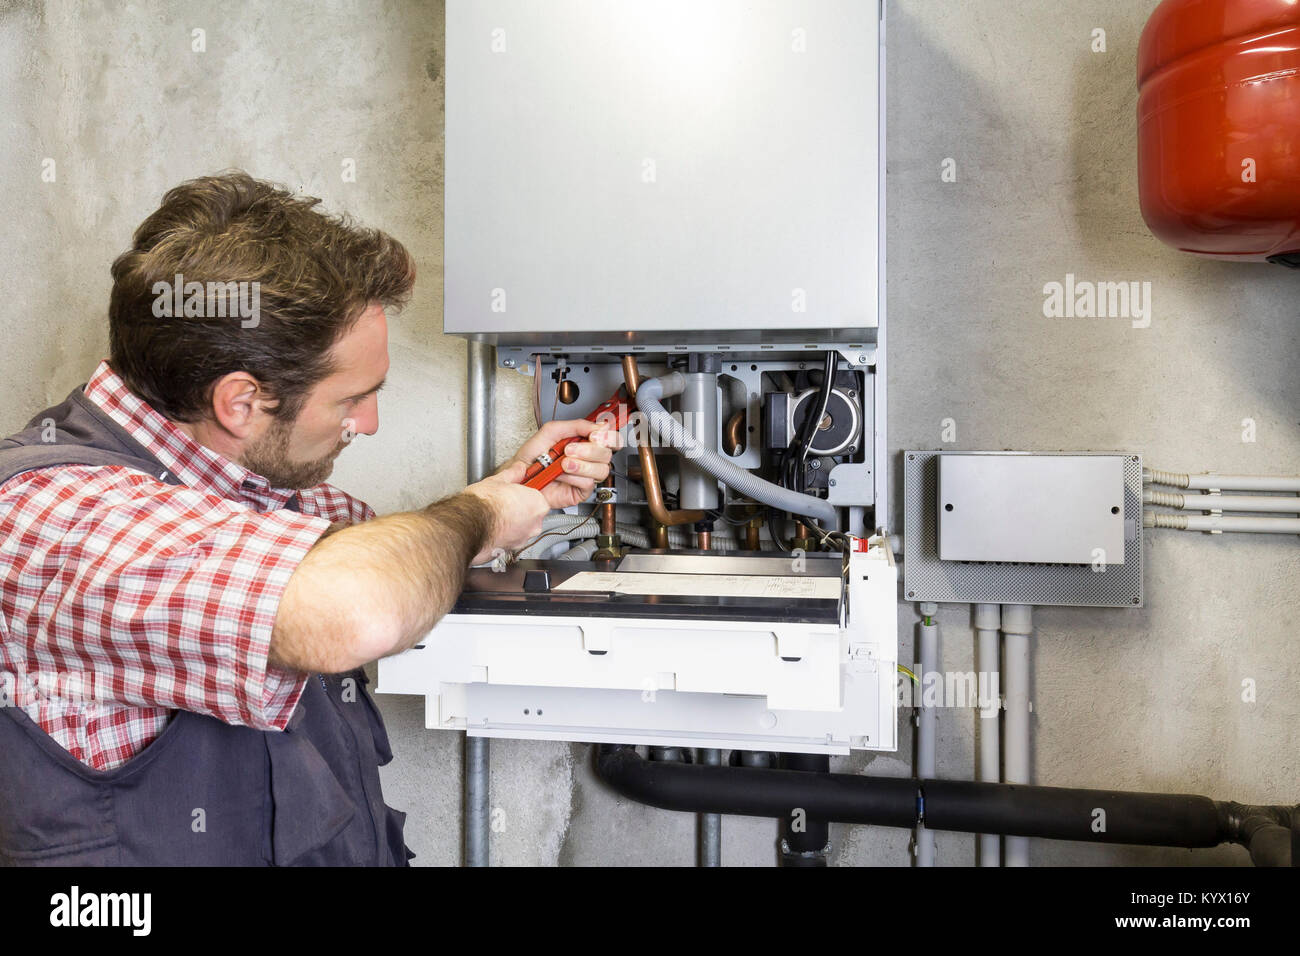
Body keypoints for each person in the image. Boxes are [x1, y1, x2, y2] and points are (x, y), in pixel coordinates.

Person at [0, 171, 614, 865]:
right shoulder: (57, 517)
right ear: (241, 402)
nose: (370, 424)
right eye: (352, 398)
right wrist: (483, 511)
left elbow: (391, 559)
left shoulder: (262, 490)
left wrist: (512, 490)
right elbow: (355, 609)